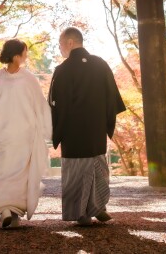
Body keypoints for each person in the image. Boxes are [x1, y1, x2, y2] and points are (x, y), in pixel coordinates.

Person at [49, 27, 126, 226]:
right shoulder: (100, 64)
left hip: (73, 132)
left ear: (70, 43)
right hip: (95, 129)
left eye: (60, 44)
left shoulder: (63, 70)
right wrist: (105, 122)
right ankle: (99, 207)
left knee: (76, 170)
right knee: (97, 166)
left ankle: (81, 213)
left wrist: (57, 130)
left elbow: (56, 104)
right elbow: (113, 99)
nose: (60, 49)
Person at [0, 39, 52, 229]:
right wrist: (48, 130)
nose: (26, 56)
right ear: (17, 55)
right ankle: (14, 210)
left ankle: (5, 210)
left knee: (1, 170)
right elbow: (41, 106)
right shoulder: (29, 79)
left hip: (1, 134)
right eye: (25, 53)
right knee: (20, 172)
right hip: (23, 134)